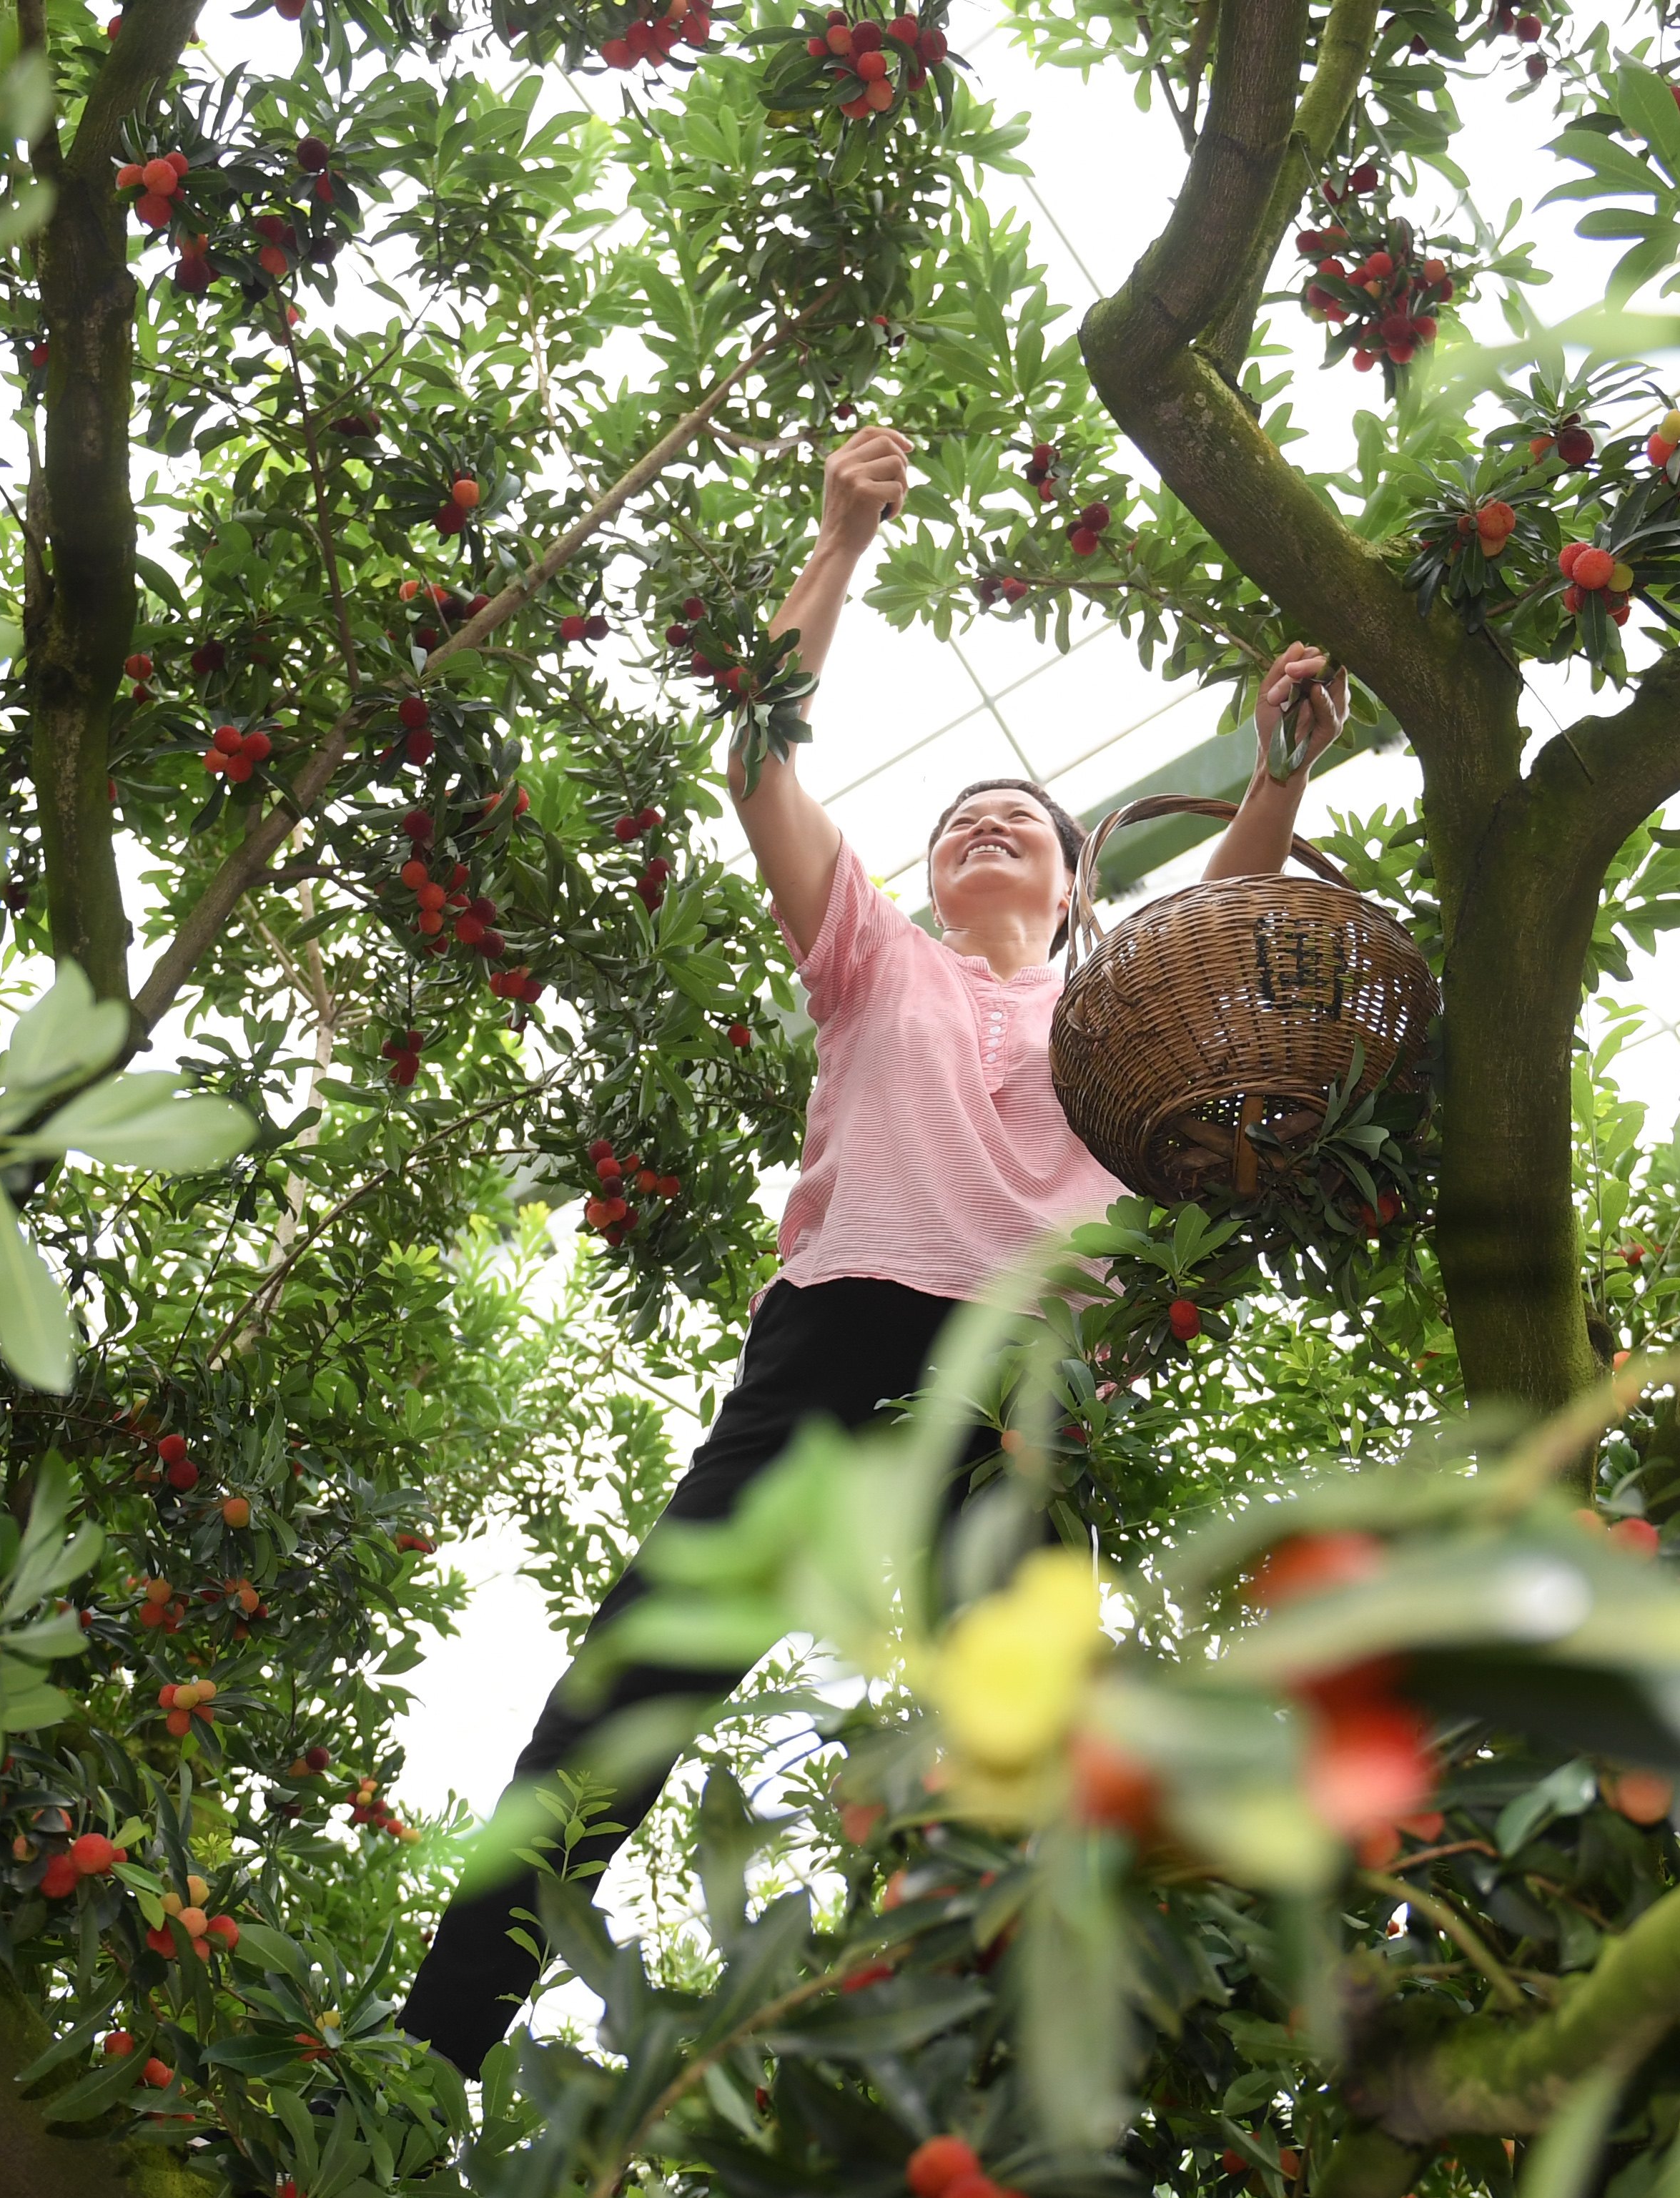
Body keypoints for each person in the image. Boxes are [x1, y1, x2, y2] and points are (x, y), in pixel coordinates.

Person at [396, 423, 1352, 2069]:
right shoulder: (874, 958)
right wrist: (836, 544)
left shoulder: (1113, 1009)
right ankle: (432, 2047)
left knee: (1024, 1733)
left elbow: (1219, 920)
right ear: (920, 873)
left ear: (1076, 894)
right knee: (636, 1679)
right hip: (839, 1332)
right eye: (960, 819)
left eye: (1022, 823)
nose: (986, 825)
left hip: (1021, 1370)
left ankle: (991, 2086)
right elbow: (758, 761)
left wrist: (1278, 768)